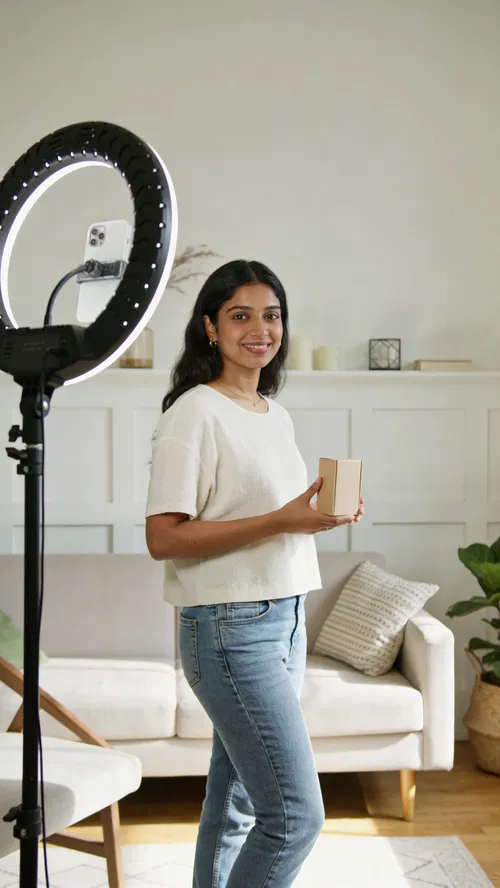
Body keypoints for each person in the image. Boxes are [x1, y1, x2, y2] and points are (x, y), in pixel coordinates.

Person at [145, 259, 364, 888]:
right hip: (230, 629)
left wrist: (319, 512)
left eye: (271, 315)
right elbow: (163, 537)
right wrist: (280, 521)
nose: (260, 329)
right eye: (240, 315)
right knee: (295, 818)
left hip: (284, 619)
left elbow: (273, 514)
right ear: (210, 327)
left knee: (239, 802)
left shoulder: (271, 411)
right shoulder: (194, 413)